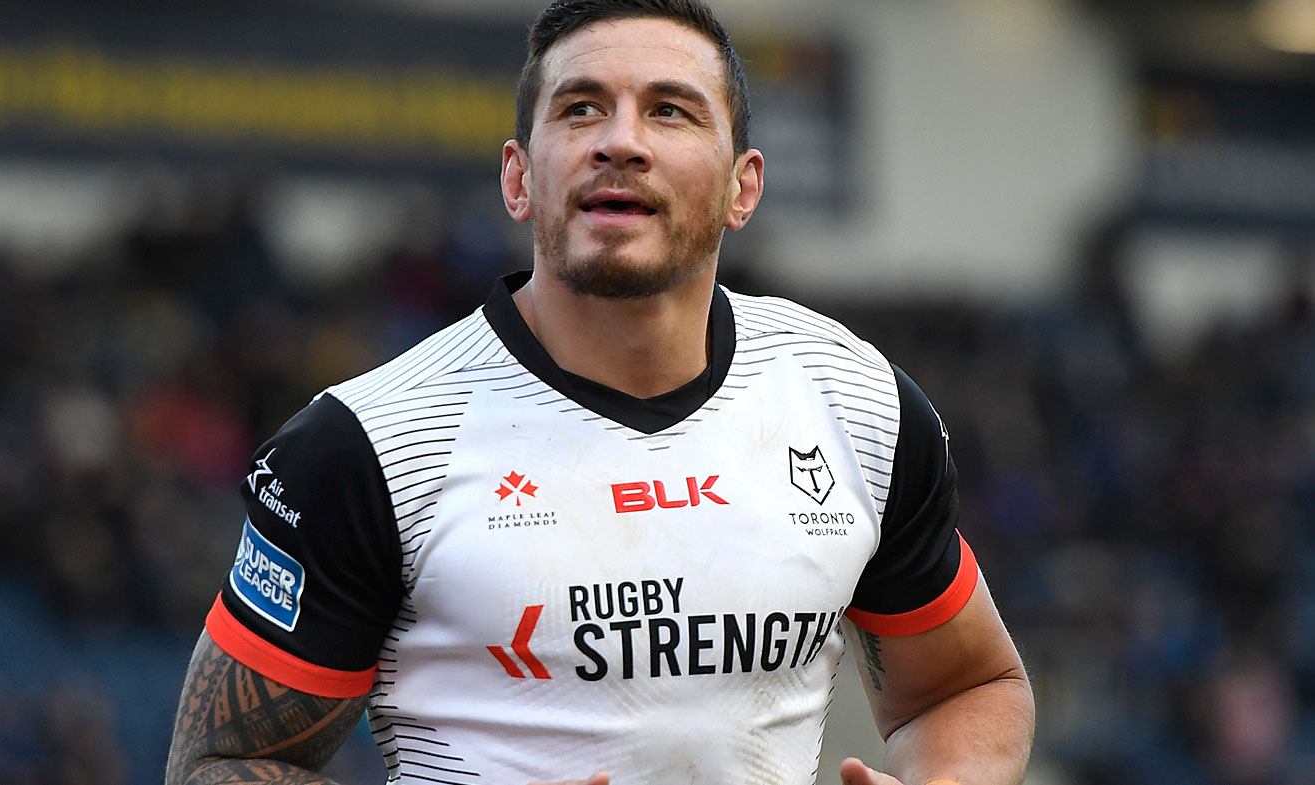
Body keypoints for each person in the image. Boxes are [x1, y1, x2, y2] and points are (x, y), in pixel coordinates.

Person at [164, 1, 1035, 784]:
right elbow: (222, 762)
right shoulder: (368, 443)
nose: (620, 140)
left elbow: (967, 687)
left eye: (670, 109)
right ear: (518, 178)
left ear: (744, 186)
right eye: (581, 108)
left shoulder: (856, 401)